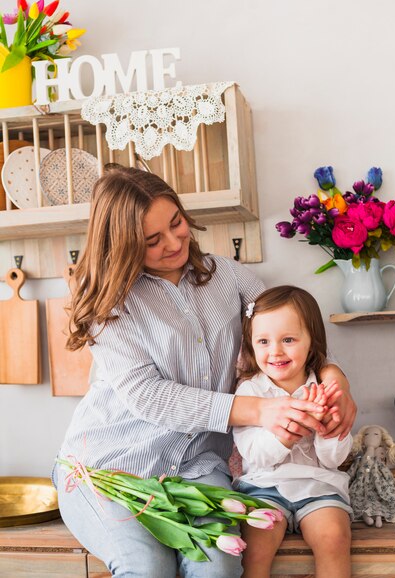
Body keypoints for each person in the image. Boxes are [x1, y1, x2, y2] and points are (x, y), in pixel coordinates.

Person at [54, 166, 356, 578]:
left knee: (219, 570)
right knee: (147, 569)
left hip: (200, 465)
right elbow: (149, 395)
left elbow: (291, 332)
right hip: (110, 466)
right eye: (151, 240)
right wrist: (259, 410)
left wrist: (335, 378)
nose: (175, 241)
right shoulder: (112, 307)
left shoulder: (229, 277)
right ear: (123, 245)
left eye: (176, 223)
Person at [233, 286, 353, 578]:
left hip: (318, 486)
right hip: (263, 487)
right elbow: (254, 454)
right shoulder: (251, 391)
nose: (275, 351)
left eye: (288, 340)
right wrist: (287, 434)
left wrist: (326, 429)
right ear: (250, 344)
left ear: (311, 343)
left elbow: (333, 460)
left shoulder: (323, 390)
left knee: (334, 537)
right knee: (256, 546)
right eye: (263, 341)